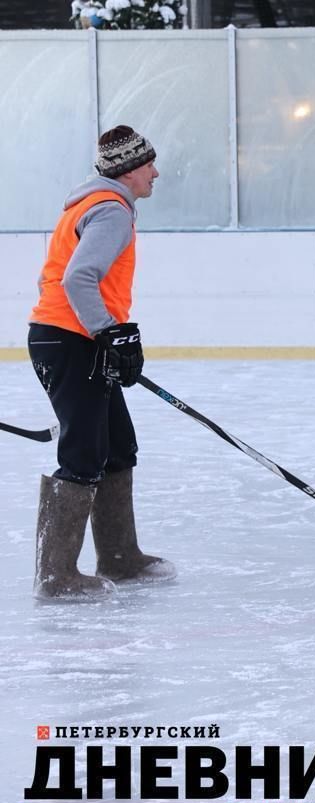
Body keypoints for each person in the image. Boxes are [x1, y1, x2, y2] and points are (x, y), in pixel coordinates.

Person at [27, 125, 177, 601]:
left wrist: (110, 335)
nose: (155, 172)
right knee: (84, 452)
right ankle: (57, 576)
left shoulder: (93, 205)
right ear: (129, 170)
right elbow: (79, 278)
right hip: (72, 341)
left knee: (116, 444)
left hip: (73, 338)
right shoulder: (110, 211)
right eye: (149, 164)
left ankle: (119, 556)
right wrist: (109, 332)